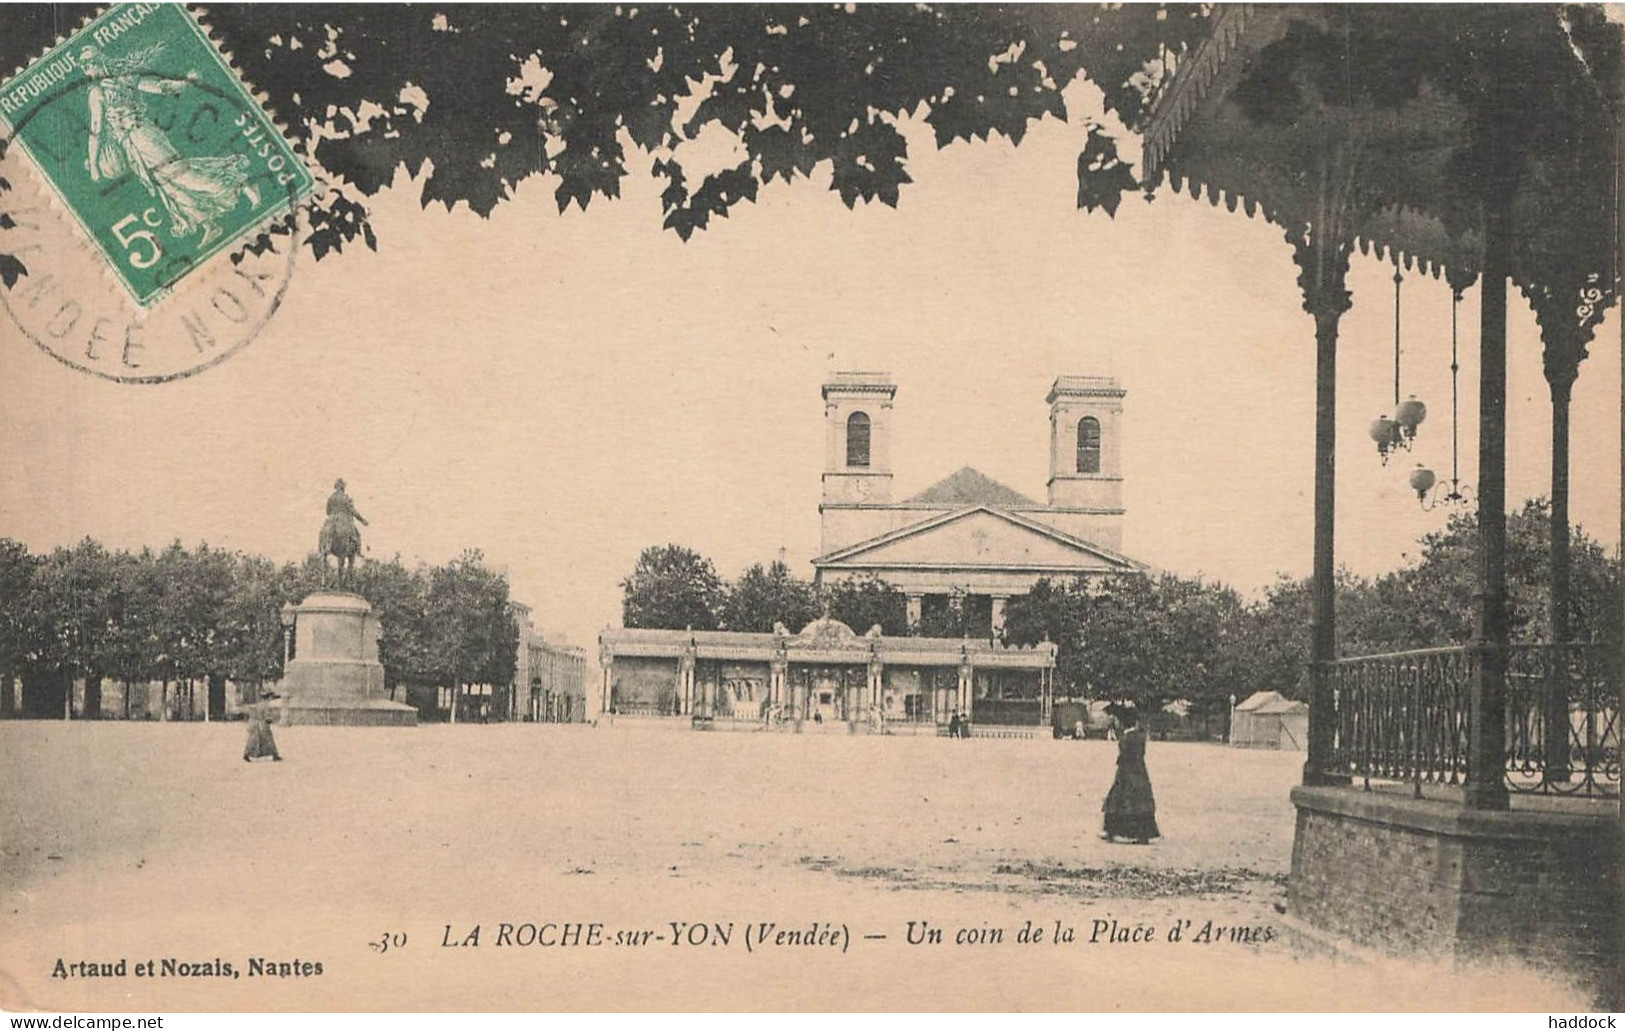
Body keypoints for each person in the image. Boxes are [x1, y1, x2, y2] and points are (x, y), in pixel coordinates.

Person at [1101, 705, 1159, 844]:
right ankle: (1142, 834)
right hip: (1140, 771)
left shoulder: (1126, 737)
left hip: (1126, 771)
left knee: (1118, 799)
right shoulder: (1140, 736)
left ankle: (1111, 832)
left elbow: (1124, 755)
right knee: (1139, 801)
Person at [243, 690, 282, 762]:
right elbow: (267, 716)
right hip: (263, 724)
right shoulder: (266, 706)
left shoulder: (258, 705)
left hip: (255, 724)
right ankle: (275, 755)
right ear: (268, 698)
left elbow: (252, 713)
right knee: (269, 740)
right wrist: (271, 720)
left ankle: (247, 754)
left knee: (253, 740)